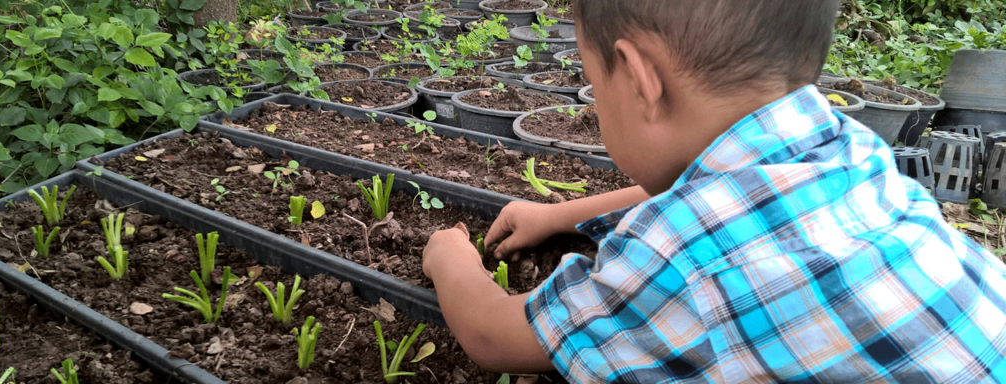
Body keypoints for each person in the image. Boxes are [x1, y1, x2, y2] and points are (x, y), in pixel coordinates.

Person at [421, 0, 1006, 382]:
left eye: (592, 81)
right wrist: (562, 214)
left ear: (638, 79)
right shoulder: (846, 144)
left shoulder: (679, 257)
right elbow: (727, 199)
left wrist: (450, 261)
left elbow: (493, 335)